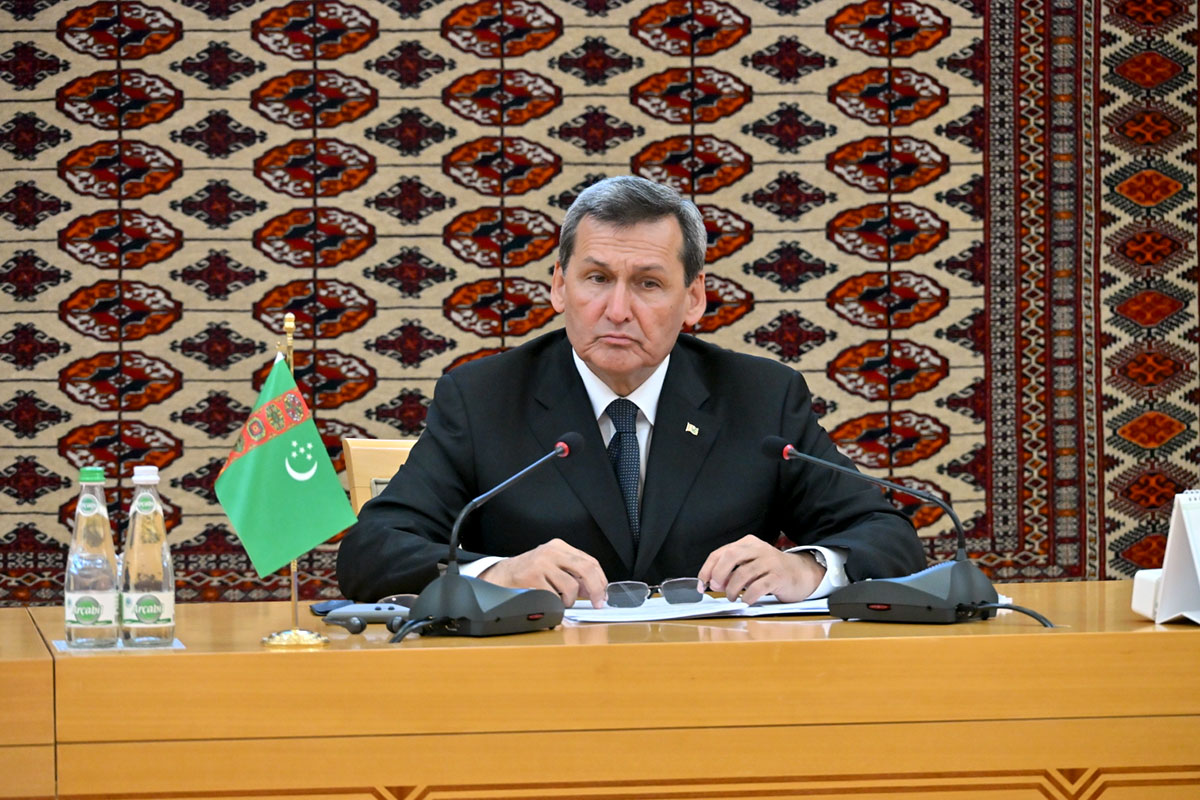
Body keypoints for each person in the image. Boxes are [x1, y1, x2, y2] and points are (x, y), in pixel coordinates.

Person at [336, 176, 927, 607]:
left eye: (647, 284)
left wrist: (806, 568)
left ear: (693, 299)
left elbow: (889, 538)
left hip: (720, 686)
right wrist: (498, 574)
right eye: (597, 278)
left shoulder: (761, 397)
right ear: (559, 287)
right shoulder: (483, 398)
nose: (617, 310)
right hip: (536, 686)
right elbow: (373, 551)